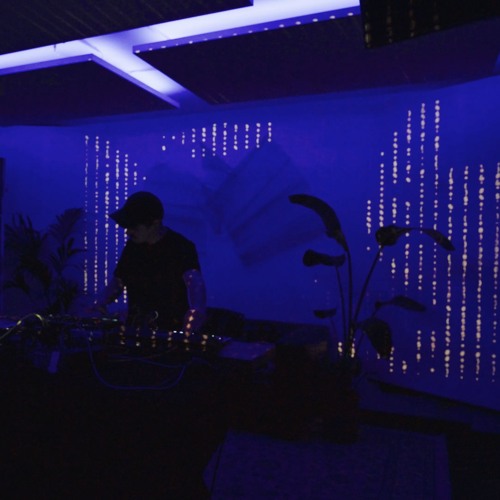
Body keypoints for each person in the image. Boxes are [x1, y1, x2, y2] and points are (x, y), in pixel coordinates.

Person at [95, 191, 206, 335]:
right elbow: (119, 281)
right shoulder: (133, 248)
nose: (128, 232)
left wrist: (196, 312)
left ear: (155, 223)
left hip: (171, 332)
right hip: (137, 330)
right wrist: (100, 303)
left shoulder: (181, 247)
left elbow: (194, 282)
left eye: (134, 227)